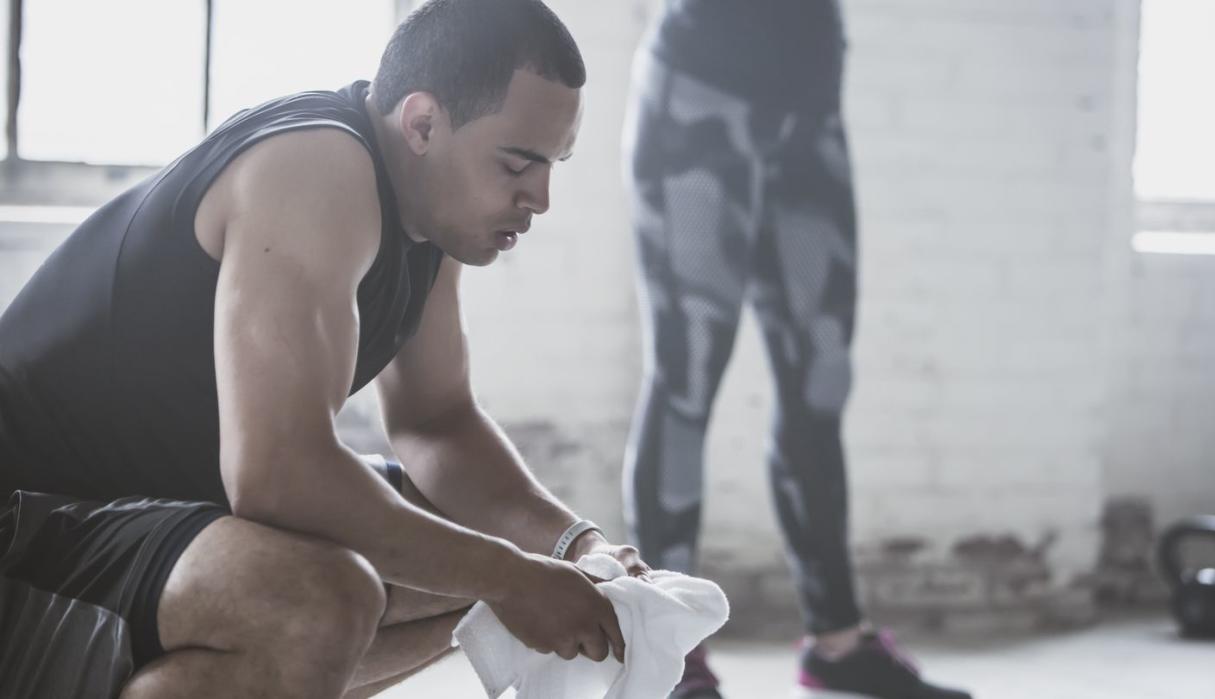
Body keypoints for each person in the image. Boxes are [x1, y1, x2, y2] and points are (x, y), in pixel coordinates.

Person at [0, 1, 652, 697]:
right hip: (30, 516)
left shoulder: (433, 214)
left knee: (471, 547)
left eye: (553, 164)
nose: (542, 198)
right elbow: (278, 474)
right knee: (321, 597)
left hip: (151, 515)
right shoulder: (316, 165)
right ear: (424, 123)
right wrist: (513, 575)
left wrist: (575, 549)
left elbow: (439, 426)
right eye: (518, 163)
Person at [622, 2, 972, 697]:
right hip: (699, 83)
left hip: (810, 100)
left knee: (821, 378)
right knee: (686, 370)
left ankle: (836, 640)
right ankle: (671, 651)